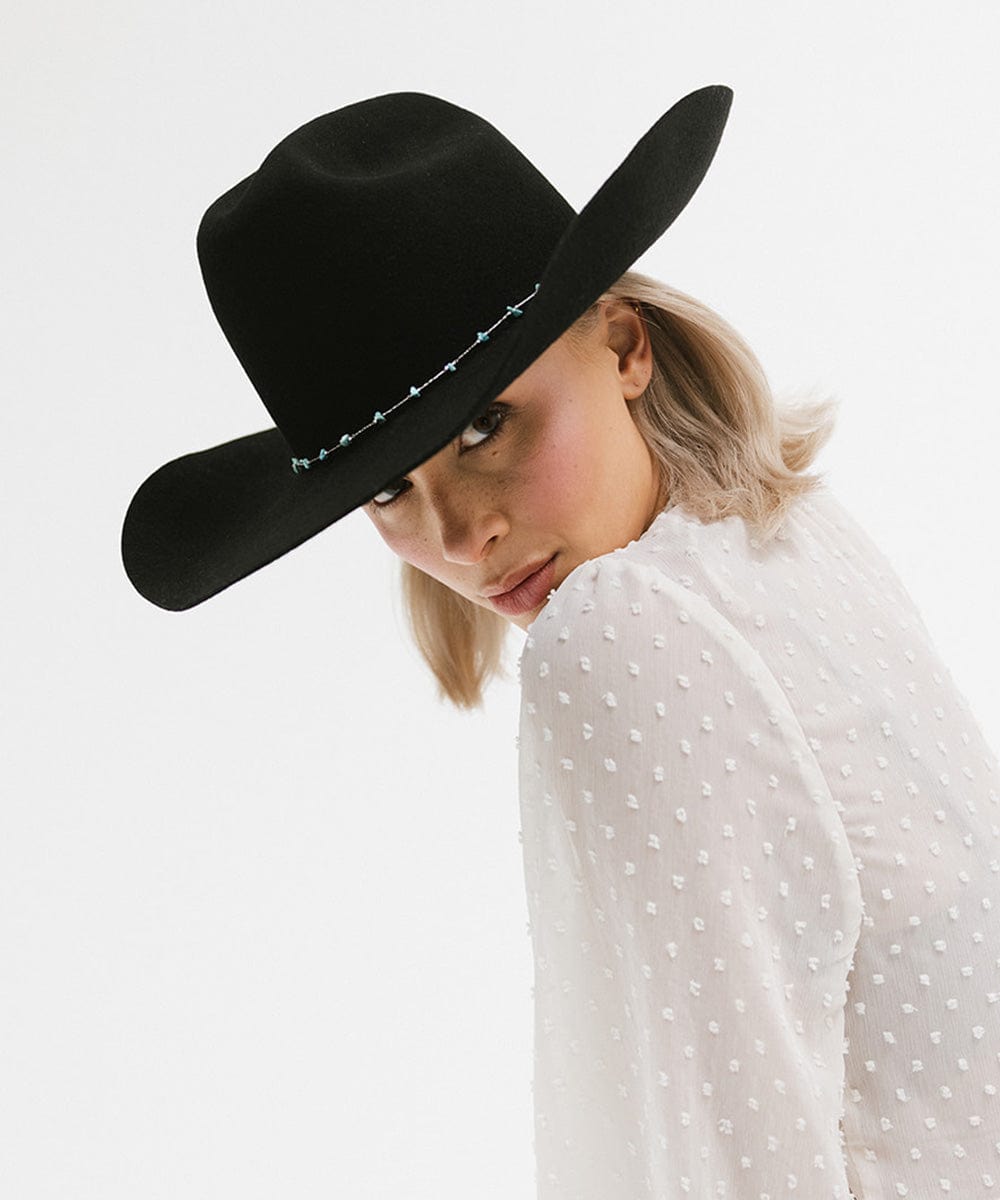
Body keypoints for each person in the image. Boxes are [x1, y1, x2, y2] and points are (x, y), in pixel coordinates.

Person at [121, 87, 1000, 1199]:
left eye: (487, 425)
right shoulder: (789, 539)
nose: (457, 535)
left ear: (624, 346)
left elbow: (721, 1165)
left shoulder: (624, 636)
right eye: (389, 488)